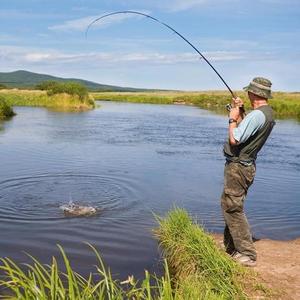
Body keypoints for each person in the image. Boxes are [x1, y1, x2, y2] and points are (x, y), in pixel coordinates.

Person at [221, 77, 275, 267]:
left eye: (249, 91)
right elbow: (247, 131)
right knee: (229, 203)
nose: (247, 94)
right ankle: (231, 245)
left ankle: (247, 253)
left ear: (255, 93)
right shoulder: (265, 113)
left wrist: (232, 117)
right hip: (245, 166)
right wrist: (242, 111)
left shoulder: (257, 115)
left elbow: (236, 138)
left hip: (239, 168)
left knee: (233, 207)